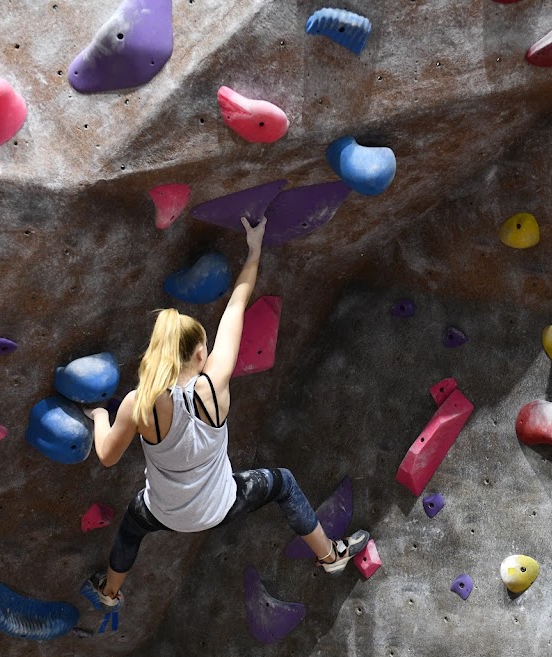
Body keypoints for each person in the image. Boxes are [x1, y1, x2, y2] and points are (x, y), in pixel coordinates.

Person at [80, 216, 369, 624]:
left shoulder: (138, 402)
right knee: (282, 482)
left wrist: (96, 416)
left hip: (164, 511)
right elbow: (237, 303)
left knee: (132, 525)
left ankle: (109, 592)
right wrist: (254, 249)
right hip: (221, 505)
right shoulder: (214, 383)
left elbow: (107, 456)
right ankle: (331, 556)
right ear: (201, 354)